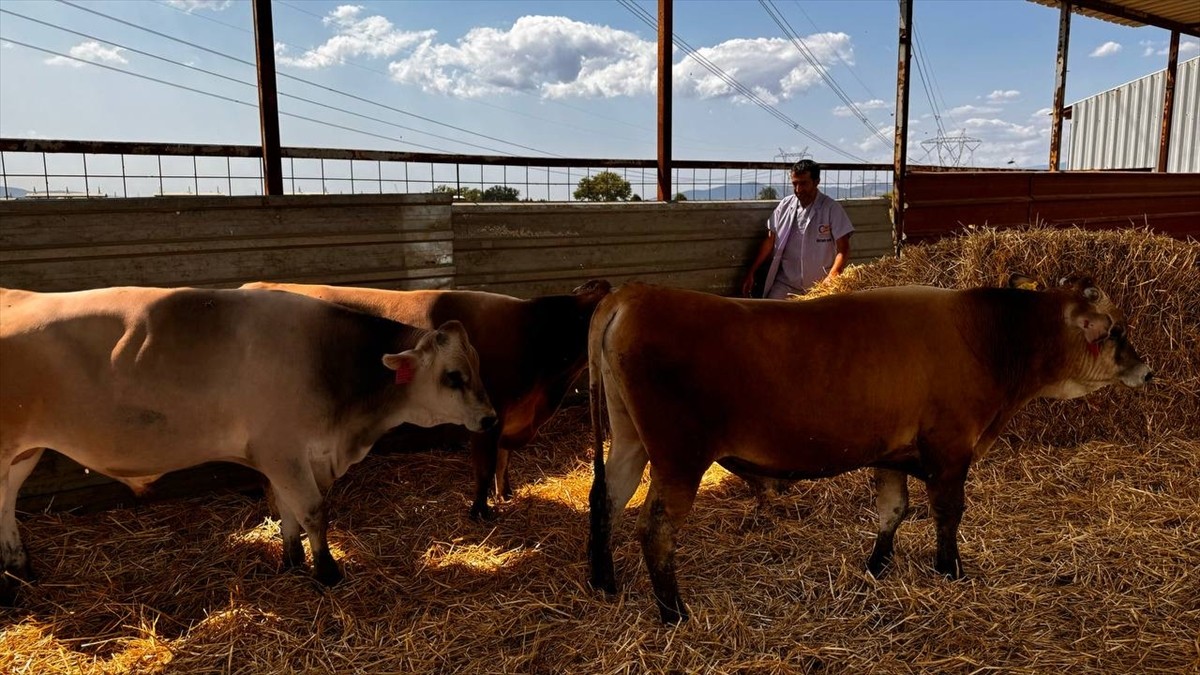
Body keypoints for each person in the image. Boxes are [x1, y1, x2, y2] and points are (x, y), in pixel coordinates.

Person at [742, 159, 854, 299]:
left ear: (816, 181)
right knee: (772, 314)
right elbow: (770, 240)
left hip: (819, 285)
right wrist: (752, 271)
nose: (798, 190)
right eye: (795, 184)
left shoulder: (831, 208)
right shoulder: (784, 206)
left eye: (803, 183)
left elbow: (843, 249)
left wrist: (833, 275)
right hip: (786, 283)